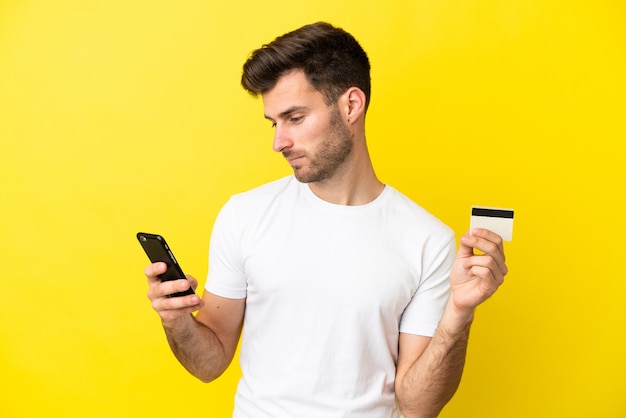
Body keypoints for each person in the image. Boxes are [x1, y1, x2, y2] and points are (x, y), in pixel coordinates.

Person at [145, 21, 507, 417]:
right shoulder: (245, 214)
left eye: (294, 118)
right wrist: (177, 321)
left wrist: (459, 312)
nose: (278, 142)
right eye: (274, 122)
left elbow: (419, 406)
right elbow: (209, 364)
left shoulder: (427, 240)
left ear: (351, 105)